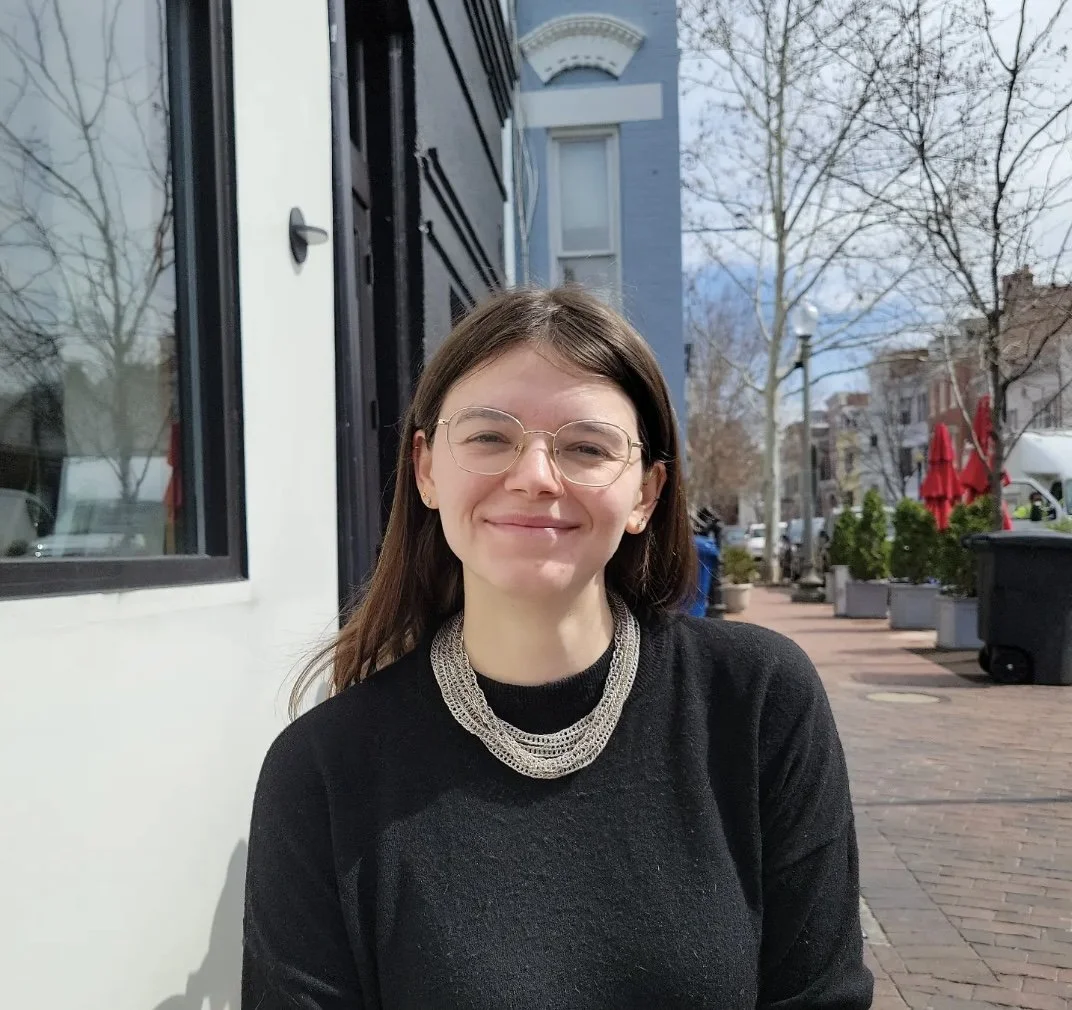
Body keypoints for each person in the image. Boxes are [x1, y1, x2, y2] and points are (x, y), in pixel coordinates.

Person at [242, 287, 872, 1009]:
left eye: (586, 447)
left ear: (645, 492)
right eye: (488, 437)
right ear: (425, 469)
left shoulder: (756, 702)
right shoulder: (323, 771)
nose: (536, 477)